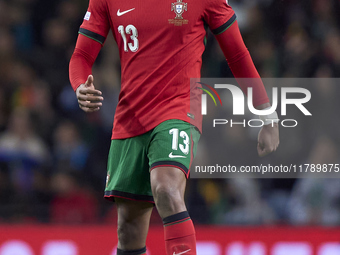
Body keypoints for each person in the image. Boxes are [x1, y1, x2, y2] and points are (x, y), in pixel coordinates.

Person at [69, 0, 280, 254]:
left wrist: (266, 113)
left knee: (166, 187)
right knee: (128, 230)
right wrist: (80, 85)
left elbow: (236, 53)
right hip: (130, 116)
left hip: (179, 107)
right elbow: (82, 55)